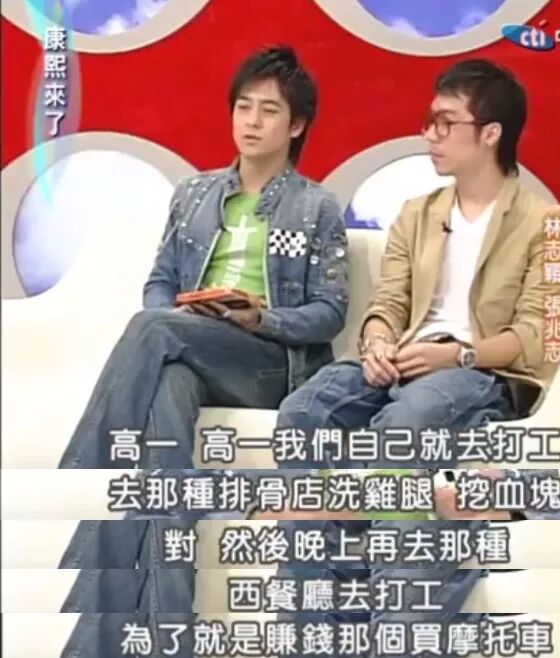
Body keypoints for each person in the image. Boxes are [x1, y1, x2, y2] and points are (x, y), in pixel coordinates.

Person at [272, 58, 560, 657]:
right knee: (302, 414)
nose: (429, 135)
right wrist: (377, 343)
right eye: (430, 121)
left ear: (490, 133)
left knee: (405, 423)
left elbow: (537, 334)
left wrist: (458, 355)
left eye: (445, 123)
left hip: (479, 371)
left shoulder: (544, 223)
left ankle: (395, 609)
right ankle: (311, 625)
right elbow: (387, 303)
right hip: (405, 356)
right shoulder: (418, 213)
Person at [57, 45, 348, 658]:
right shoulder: (193, 194)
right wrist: (184, 314)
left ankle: (83, 472)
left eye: (268, 110)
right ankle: (170, 632)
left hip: (267, 362)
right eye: (243, 106)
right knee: (166, 404)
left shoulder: (315, 207)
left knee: (153, 330)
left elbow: (330, 312)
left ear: (296, 125)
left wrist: (260, 316)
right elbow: (160, 281)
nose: (251, 121)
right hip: (193, 346)